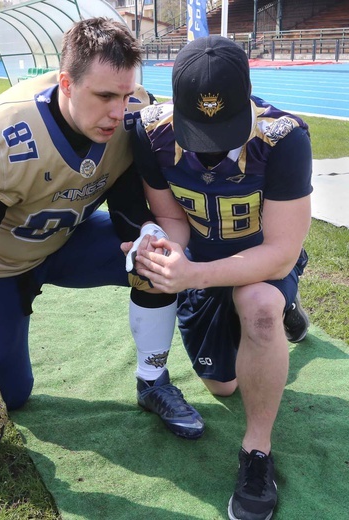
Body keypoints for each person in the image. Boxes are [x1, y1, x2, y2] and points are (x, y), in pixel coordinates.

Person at [0, 17, 204, 440]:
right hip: (1, 263)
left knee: (158, 259)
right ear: (66, 83)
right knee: (12, 395)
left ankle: (153, 381)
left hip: (66, 240)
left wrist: (148, 231)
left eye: (126, 94)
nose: (118, 110)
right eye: (104, 95)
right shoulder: (3, 136)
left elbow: (127, 203)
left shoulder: (132, 113)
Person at [128, 36, 312, 519]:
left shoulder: (285, 137)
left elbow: (279, 251)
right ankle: (282, 307)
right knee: (222, 387)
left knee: (261, 309)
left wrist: (196, 273)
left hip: (259, 259)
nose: (213, 149)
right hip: (204, 259)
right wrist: (166, 250)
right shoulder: (150, 131)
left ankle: (256, 453)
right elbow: (172, 220)